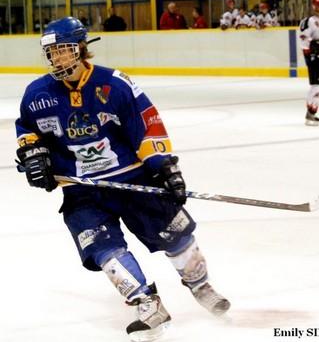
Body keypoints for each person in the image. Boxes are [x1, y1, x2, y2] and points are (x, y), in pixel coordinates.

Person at [15, 17, 230, 341]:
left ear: (82, 49)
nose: (58, 58)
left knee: (176, 235)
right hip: (81, 189)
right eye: (53, 53)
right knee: (103, 249)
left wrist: (164, 167)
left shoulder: (115, 85)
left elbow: (148, 125)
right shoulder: (37, 95)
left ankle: (200, 285)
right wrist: (34, 156)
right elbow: (28, 131)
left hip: (133, 178)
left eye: (64, 50)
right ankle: (146, 302)